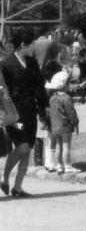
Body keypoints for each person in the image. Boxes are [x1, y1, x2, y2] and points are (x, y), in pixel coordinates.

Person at [2, 29, 49, 198]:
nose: (34, 46)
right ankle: (5, 176)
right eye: (32, 44)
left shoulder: (32, 62)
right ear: (23, 45)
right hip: (14, 113)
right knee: (21, 147)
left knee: (27, 149)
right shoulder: (5, 64)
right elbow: (2, 91)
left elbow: (39, 85)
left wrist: (44, 108)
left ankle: (18, 187)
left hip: (31, 111)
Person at [44, 71, 79, 174]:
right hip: (66, 126)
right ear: (65, 85)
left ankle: (59, 165)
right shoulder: (67, 98)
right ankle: (68, 165)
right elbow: (71, 113)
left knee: (59, 146)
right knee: (66, 145)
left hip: (55, 127)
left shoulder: (52, 98)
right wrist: (75, 123)